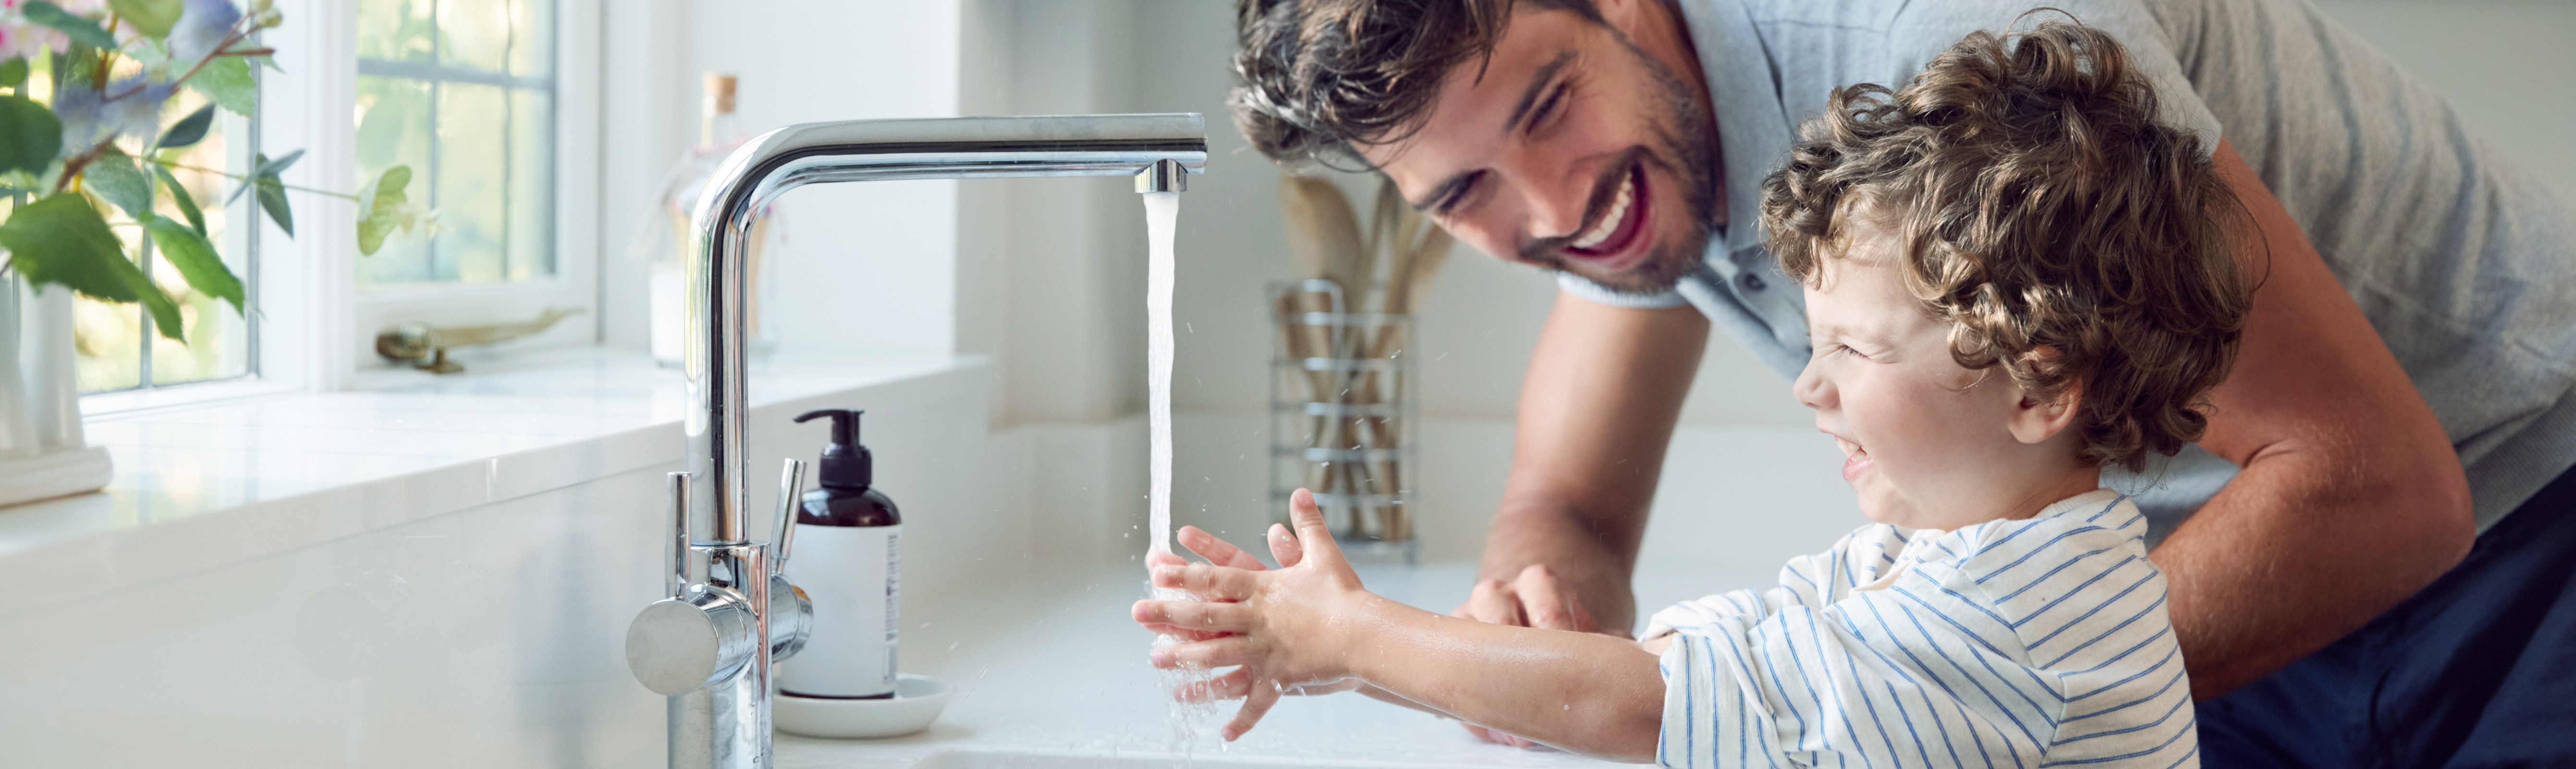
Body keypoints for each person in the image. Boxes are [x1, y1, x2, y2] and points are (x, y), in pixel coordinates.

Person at [1216, 0, 2576, 765]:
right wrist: (1541, 596)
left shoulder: (1963, 56)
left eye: (1546, 106)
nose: (1557, 207)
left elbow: (2382, 491)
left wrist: (1906, 701)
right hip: (2197, 580)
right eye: (1462, 195)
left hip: (2524, 520)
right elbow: (1566, 497)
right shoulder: (1615, 182)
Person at [1139, 24, 2241, 765]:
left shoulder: (2010, 623)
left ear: (2041, 381)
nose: (1808, 386)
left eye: (1853, 349)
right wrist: (1333, 650)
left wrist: (1350, 638)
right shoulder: (1962, 558)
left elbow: (1647, 703)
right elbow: (1688, 663)